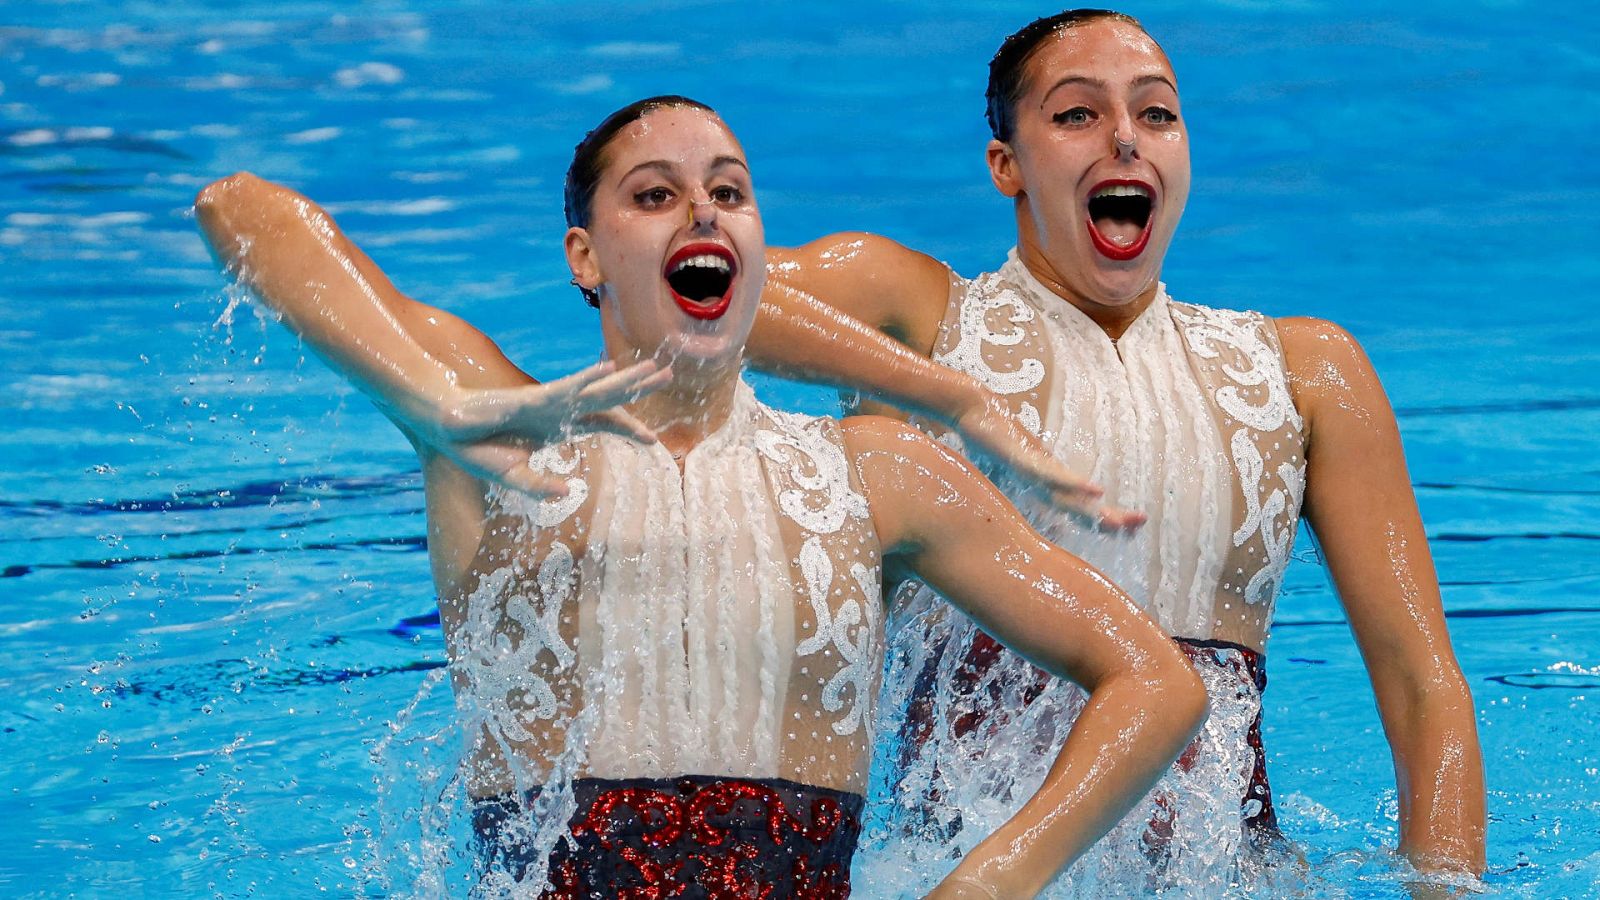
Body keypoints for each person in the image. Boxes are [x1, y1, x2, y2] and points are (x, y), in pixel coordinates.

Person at [193, 96, 1207, 898]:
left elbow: (1154, 685)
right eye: (653, 195)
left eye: (729, 190)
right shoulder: (496, 430)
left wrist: (990, 881)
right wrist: (434, 402)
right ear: (584, 258)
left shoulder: (872, 474)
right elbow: (238, 207)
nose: (703, 211)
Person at [744, 9, 1487, 883]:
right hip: (952, 873)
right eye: (1077, 115)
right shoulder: (926, 320)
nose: (1127, 139)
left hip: (1233, 880)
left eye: (1157, 114)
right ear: (1006, 167)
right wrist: (946, 393)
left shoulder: (1304, 375)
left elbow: (1421, 684)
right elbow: (695, 292)